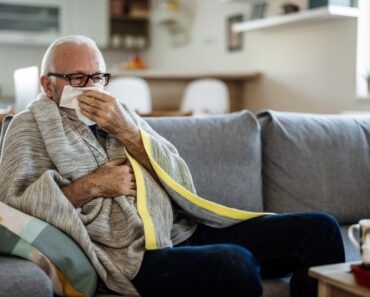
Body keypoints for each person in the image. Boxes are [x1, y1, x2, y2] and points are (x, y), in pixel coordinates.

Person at [0, 35, 345, 297]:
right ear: (48, 84)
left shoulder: (122, 113)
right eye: (77, 79)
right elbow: (17, 206)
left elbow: (179, 176)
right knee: (234, 264)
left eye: (99, 77)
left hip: (181, 229)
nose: (91, 87)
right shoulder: (28, 126)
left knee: (322, 230)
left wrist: (127, 130)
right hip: (133, 255)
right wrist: (94, 185)